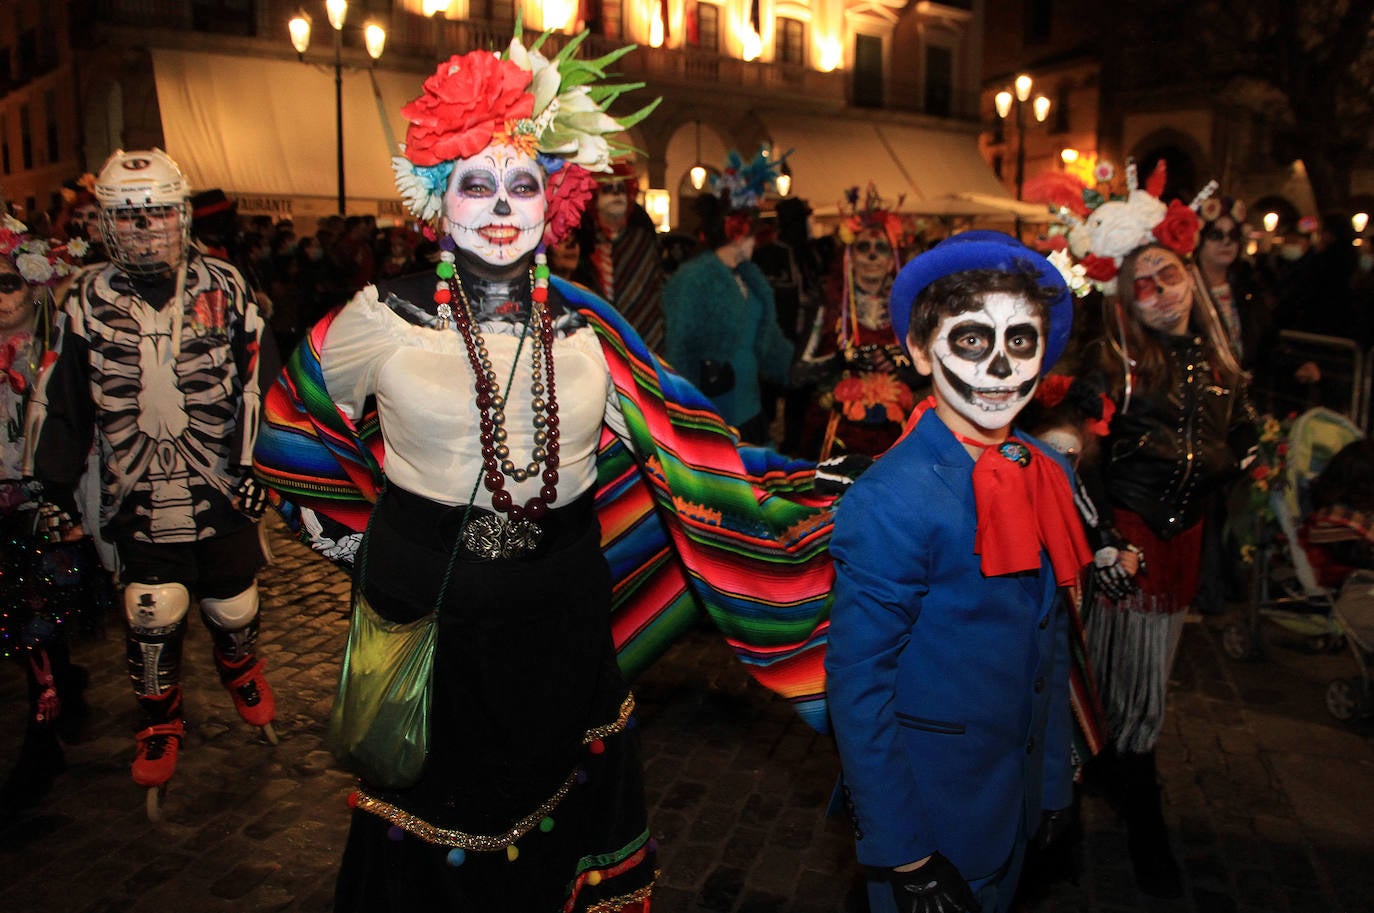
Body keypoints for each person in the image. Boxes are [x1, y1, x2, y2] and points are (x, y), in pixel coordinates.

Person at [252, 32, 837, 913]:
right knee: (440, 821)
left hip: (563, 607)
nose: (498, 206)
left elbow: (698, 453)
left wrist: (827, 488)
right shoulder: (380, 317)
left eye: (521, 184)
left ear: (552, 201)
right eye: (474, 183)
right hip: (430, 611)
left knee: (560, 805)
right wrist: (349, 534)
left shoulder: (590, 327)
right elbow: (292, 419)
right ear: (437, 199)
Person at [826, 231, 1088, 913]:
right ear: (920, 350)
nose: (1000, 367)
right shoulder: (890, 499)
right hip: (934, 807)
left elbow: (1048, 640)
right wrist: (905, 851)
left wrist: (1053, 777)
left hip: (1017, 793)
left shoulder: (1046, 469)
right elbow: (858, 688)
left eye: (1020, 343)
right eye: (972, 341)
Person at [23, 148, 280, 817]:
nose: (145, 228)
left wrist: (261, 466)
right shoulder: (84, 299)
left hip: (220, 486)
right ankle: (159, 719)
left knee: (234, 605)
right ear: (107, 224)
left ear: (182, 214)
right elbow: (61, 396)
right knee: (151, 608)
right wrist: (48, 487)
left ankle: (238, 662)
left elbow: (262, 381)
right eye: (129, 218)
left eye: (159, 213)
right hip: (136, 490)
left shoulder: (228, 287)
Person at [1066, 161, 1257, 897]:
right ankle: (1139, 825)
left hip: (1181, 549)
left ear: (1188, 273)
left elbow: (1234, 435)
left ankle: (1110, 775)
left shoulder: (1217, 358)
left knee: (1140, 684)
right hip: (1124, 547)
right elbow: (1083, 456)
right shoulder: (1113, 361)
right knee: (1119, 688)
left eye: (1168, 276)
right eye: (1141, 283)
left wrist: (1243, 452)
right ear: (1122, 295)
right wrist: (1104, 536)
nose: (1159, 294)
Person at [0, 219, 107, 814]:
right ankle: (61, 689)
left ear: (36, 284)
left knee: (34, 623)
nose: (1, 298)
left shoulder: (60, 347)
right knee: (26, 627)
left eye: (9, 282)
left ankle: (42, 743)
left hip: (47, 505)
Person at [661, 149, 794, 444]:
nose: (756, 241)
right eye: (753, 231)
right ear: (737, 231)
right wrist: (688, 425)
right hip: (713, 417)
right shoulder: (694, 279)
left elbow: (767, 342)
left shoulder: (750, 276)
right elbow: (680, 353)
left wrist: (804, 368)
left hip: (751, 410)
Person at [797, 184, 920, 459]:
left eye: (882, 248)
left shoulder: (908, 310)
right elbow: (797, 374)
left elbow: (926, 370)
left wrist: (898, 362)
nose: (873, 256)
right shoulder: (827, 307)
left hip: (893, 438)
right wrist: (841, 361)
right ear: (850, 258)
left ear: (892, 260)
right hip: (834, 437)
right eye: (864, 247)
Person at [573, 161, 666, 350]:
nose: (616, 194)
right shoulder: (584, 244)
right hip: (595, 339)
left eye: (621, 189)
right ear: (595, 199)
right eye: (608, 189)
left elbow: (654, 290)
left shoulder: (642, 241)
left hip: (644, 336)